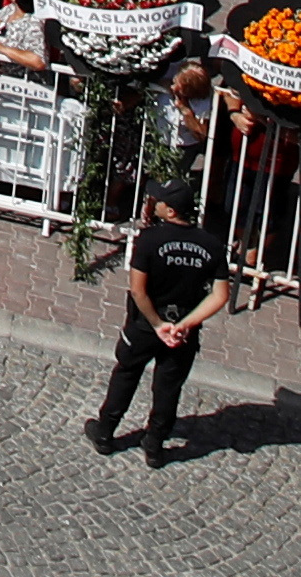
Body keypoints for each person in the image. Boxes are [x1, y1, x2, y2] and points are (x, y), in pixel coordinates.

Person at [90, 176, 227, 463]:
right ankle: (154, 444)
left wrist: (157, 324)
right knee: (169, 386)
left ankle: (105, 432)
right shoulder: (212, 244)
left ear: (171, 211)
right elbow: (220, 295)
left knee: (127, 372)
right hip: (183, 330)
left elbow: (138, 291)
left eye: (159, 201)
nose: (153, 203)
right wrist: (185, 324)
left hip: (145, 325)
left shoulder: (150, 240)